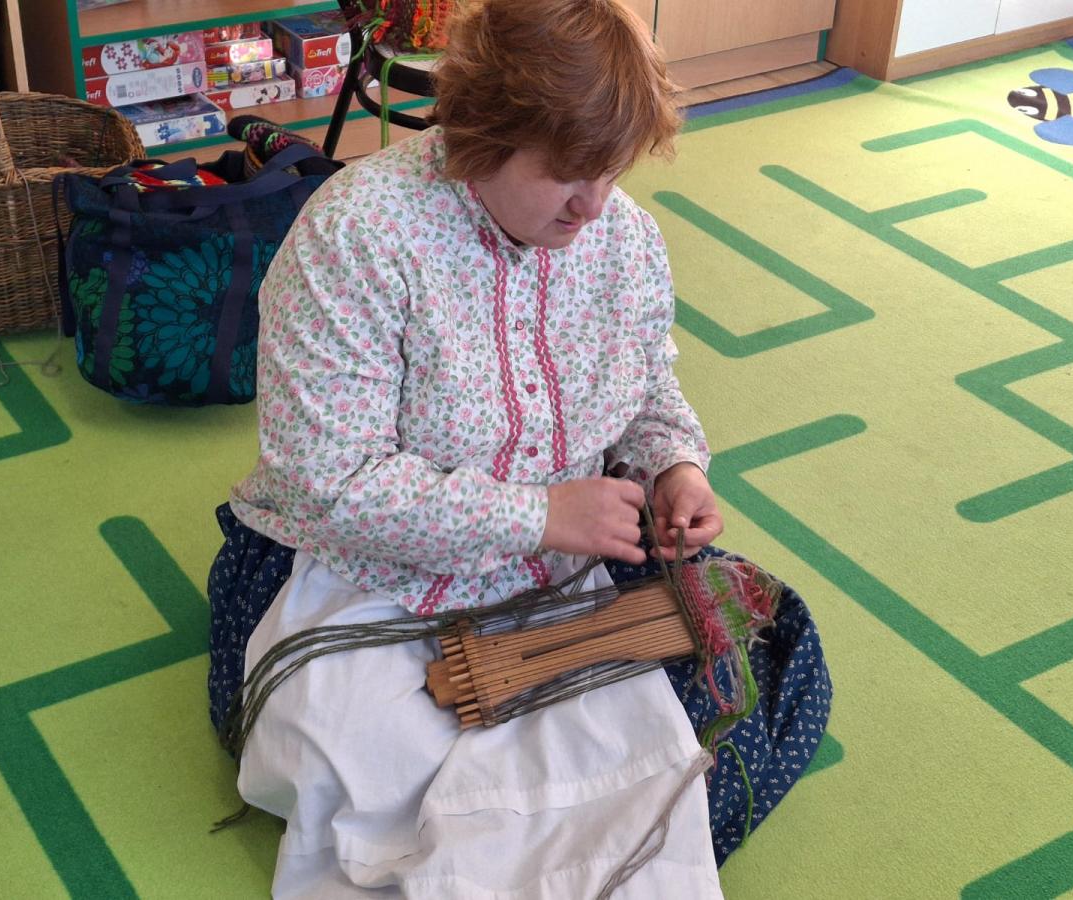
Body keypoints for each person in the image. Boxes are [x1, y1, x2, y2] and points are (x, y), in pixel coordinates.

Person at [207, 0, 830, 895]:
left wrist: (673, 468)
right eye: (567, 173)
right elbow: (329, 484)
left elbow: (646, 388)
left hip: (569, 562)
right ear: (481, 135)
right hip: (364, 573)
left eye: (611, 171)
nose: (594, 204)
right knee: (372, 771)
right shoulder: (356, 236)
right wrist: (537, 514)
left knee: (761, 655)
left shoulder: (621, 238)